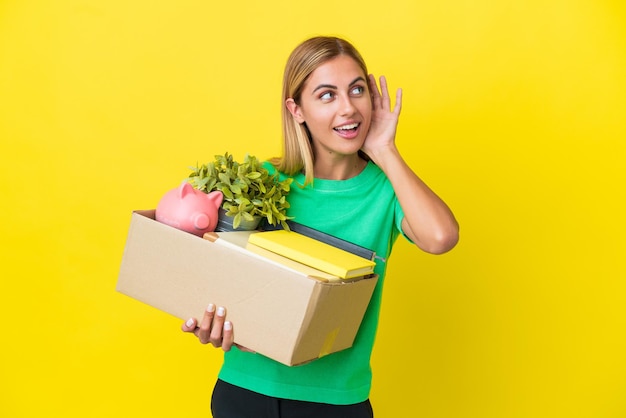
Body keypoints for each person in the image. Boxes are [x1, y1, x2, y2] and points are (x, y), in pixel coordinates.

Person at [181, 36, 459, 417]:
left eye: (357, 90)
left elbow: (441, 237)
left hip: (336, 403)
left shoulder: (388, 191)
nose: (348, 109)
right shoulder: (261, 183)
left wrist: (385, 150)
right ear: (297, 110)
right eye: (327, 95)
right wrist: (214, 320)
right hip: (245, 393)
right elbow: (221, 278)